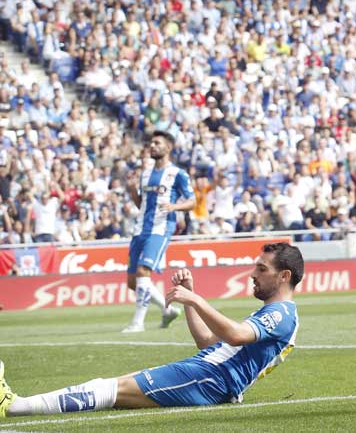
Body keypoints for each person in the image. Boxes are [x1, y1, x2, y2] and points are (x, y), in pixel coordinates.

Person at [0, 242, 303, 417]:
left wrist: (196, 298)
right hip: (206, 371)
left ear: (283, 276)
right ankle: (15, 404)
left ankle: (14, 407)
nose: (253, 274)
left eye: (262, 269)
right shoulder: (272, 312)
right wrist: (190, 298)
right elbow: (208, 341)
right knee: (114, 388)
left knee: (112, 389)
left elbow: (235, 335)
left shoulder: (282, 313)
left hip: (211, 379)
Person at [121, 131, 196, 333]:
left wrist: (174, 207)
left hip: (160, 229)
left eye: (157, 143)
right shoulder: (145, 173)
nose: (152, 146)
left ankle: (137, 323)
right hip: (140, 229)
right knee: (132, 282)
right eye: (151, 143)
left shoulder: (177, 174)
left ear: (168, 148)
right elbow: (143, 204)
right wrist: (131, 192)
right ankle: (168, 309)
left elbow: (192, 201)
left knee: (143, 272)